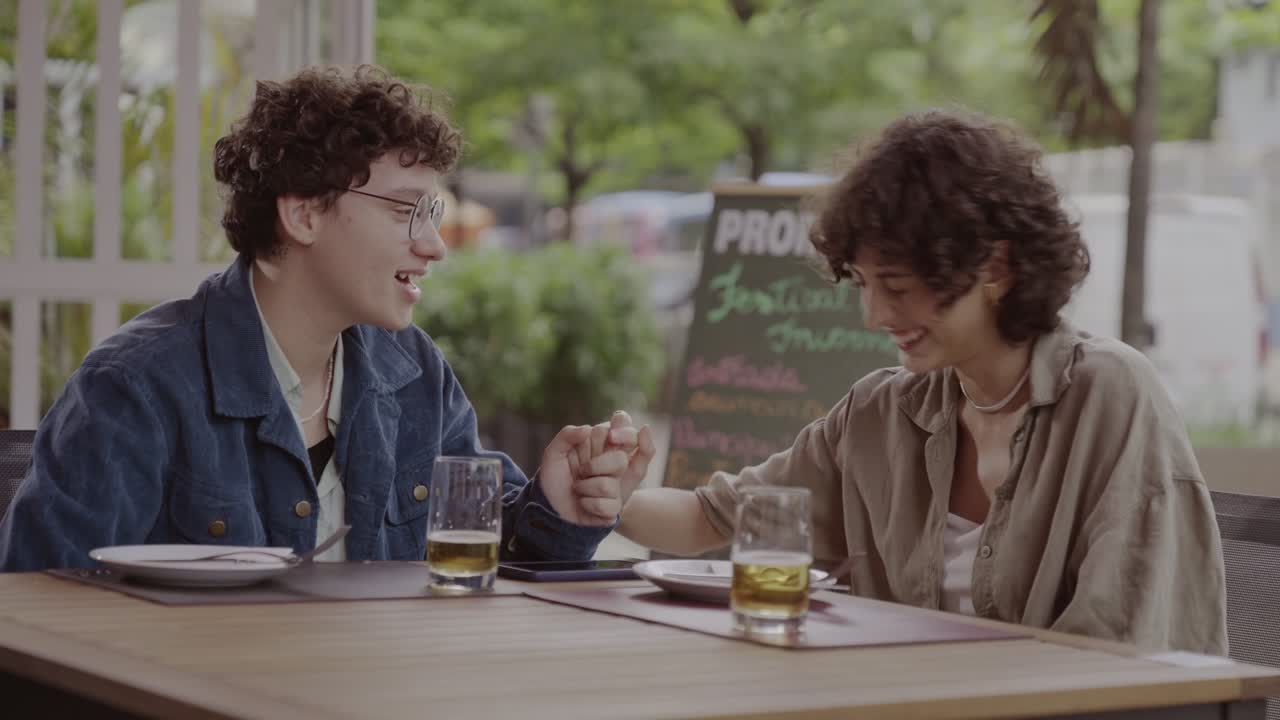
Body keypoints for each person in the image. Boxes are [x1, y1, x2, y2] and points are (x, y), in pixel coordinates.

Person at [0, 65, 655, 571]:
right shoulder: (135, 386)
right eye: (405, 211)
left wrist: (559, 509)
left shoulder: (415, 371)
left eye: (431, 214)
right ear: (304, 213)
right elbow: (38, 619)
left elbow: (491, 567)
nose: (433, 244)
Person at [618, 110, 1227, 654]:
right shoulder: (878, 413)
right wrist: (605, 499)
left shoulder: (1110, 398)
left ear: (995, 265)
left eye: (900, 288)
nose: (875, 316)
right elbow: (709, 519)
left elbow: (1119, 658)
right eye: (863, 284)